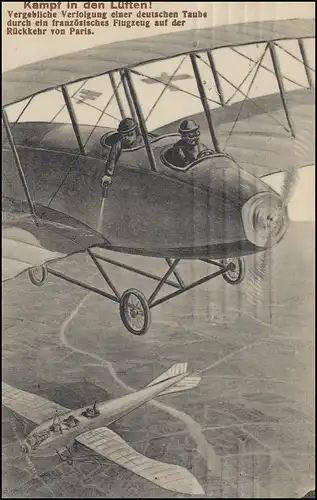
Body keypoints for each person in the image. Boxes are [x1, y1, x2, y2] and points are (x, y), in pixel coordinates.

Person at [100, 117, 143, 196]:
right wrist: (108, 175)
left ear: (136, 132)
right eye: (124, 135)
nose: (126, 138)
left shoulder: (143, 140)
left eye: (130, 134)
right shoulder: (118, 144)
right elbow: (113, 156)